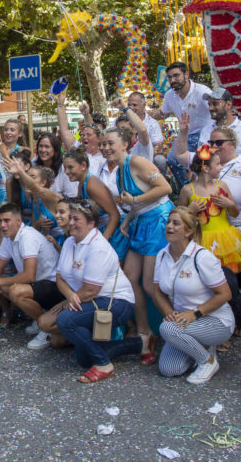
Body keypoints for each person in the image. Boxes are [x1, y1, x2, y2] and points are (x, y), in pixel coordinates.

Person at [51, 200, 146, 383]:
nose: (70, 222)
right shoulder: (71, 241)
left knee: (65, 320)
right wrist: (70, 296)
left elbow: (91, 290)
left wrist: (71, 300)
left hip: (117, 302)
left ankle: (103, 364)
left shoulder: (97, 247)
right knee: (84, 359)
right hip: (86, 298)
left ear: (91, 223)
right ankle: (140, 344)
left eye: (76, 219)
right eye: (70, 217)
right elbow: (59, 278)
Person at [104, 126, 173, 349]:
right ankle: (145, 331)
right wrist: (129, 217)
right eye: (104, 144)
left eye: (110, 143)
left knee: (150, 284)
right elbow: (137, 200)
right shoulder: (120, 170)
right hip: (141, 221)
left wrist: (133, 203)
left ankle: (179, 329)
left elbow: (165, 188)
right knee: (129, 277)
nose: (106, 148)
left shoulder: (137, 162)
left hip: (158, 221)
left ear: (125, 144)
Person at [152, 207, 235, 384]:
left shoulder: (202, 257)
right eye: (168, 222)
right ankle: (200, 347)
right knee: (169, 370)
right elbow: (157, 291)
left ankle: (208, 361)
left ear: (189, 231)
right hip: (182, 322)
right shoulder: (162, 255)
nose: (169, 227)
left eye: (176, 224)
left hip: (214, 320)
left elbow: (225, 294)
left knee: (167, 329)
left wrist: (195, 313)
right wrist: (168, 312)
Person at [0, 203, 60, 350]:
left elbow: (29, 276)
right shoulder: (9, 238)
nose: (3, 225)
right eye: (1, 221)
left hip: (54, 284)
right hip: (39, 284)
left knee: (15, 291)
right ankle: (41, 318)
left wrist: (1, 281)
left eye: (7, 221)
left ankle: (45, 330)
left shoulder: (27, 237)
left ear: (19, 221)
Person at [178, 145, 241, 276]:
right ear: (206, 168)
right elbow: (179, 218)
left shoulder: (221, 186)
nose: (221, 167)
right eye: (218, 164)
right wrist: (190, 210)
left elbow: (235, 213)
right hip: (200, 240)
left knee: (227, 276)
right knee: (203, 275)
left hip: (224, 240)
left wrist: (229, 204)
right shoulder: (187, 190)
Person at [153, 62, 213, 185]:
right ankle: (186, 188)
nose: (172, 80)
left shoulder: (202, 92)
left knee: (204, 162)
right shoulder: (170, 95)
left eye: (176, 75)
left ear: (186, 74)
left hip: (207, 135)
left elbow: (216, 109)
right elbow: (163, 114)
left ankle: (206, 188)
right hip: (187, 135)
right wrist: (140, 113)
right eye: (169, 77)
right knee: (172, 159)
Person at [58, 150, 121, 243]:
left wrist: (102, 242)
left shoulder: (91, 185)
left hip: (114, 231)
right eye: (65, 168)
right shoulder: (81, 183)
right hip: (99, 230)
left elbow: (115, 215)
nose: (66, 171)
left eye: (70, 167)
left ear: (83, 165)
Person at [1, 160, 63, 246]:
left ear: (43, 183)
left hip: (61, 241)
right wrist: (39, 224)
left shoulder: (48, 195)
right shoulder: (34, 199)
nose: (27, 181)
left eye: (32, 177)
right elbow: (35, 228)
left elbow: (33, 186)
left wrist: (20, 171)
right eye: (27, 177)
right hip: (46, 240)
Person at [197, 88, 241, 160]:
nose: (211, 108)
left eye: (215, 104)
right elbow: (201, 161)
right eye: (209, 104)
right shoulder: (205, 131)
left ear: (228, 105)